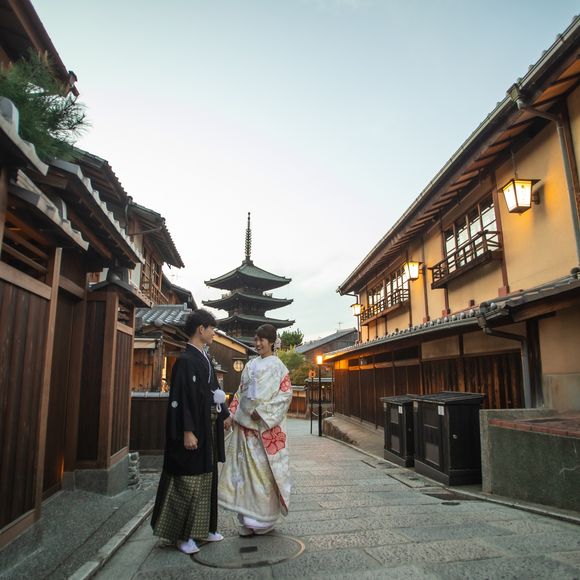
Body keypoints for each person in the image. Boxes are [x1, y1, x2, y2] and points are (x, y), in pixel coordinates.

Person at [151, 309, 233, 554]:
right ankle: (182, 535)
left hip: (207, 427)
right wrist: (187, 430)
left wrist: (225, 414)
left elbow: (214, 390)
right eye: (212, 329)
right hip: (193, 428)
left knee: (207, 477)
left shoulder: (204, 358)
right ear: (201, 329)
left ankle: (205, 529)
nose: (214, 333)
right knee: (188, 480)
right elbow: (182, 398)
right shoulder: (186, 360)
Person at [218, 324, 292, 535]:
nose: (258, 344)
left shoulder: (279, 367)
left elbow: (285, 396)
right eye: (256, 339)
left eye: (262, 340)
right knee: (245, 474)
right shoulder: (250, 365)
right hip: (244, 428)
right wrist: (231, 414)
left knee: (262, 475)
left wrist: (263, 412)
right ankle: (247, 519)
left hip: (264, 430)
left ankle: (262, 521)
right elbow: (240, 393)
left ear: (272, 342)